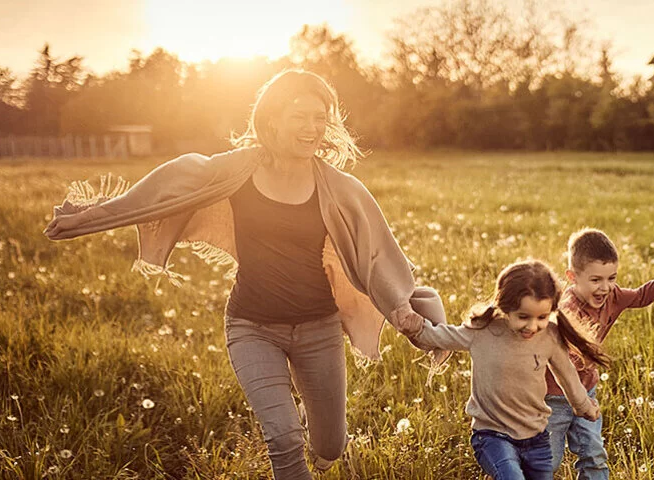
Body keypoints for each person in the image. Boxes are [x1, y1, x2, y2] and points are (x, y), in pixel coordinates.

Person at [44, 69, 439, 480]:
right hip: (252, 327)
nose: (312, 128)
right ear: (272, 118)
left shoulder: (340, 188)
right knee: (284, 439)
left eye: (320, 118)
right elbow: (169, 187)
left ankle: (320, 447)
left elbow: (378, 256)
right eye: (300, 116)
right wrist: (89, 217)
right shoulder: (238, 170)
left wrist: (406, 315)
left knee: (330, 445)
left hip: (318, 329)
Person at [394, 260, 605, 480]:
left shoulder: (549, 336)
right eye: (523, 317)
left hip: (537, 436)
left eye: (542, 317)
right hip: (492, 435)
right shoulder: (482, 331)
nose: (532, 326)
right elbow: (443, 336)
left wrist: (582, 405)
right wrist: (416, 328)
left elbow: (567, 374)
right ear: (505, 307)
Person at [544, 228, 654, 479]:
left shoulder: (613, 295)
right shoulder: (565, 312)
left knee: (594, 454)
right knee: (547, 462)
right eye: (596, 280)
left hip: (587, 391)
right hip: (553, 398)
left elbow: (641, 296)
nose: (605, 287)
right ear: (572, 277)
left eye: (612, 278)